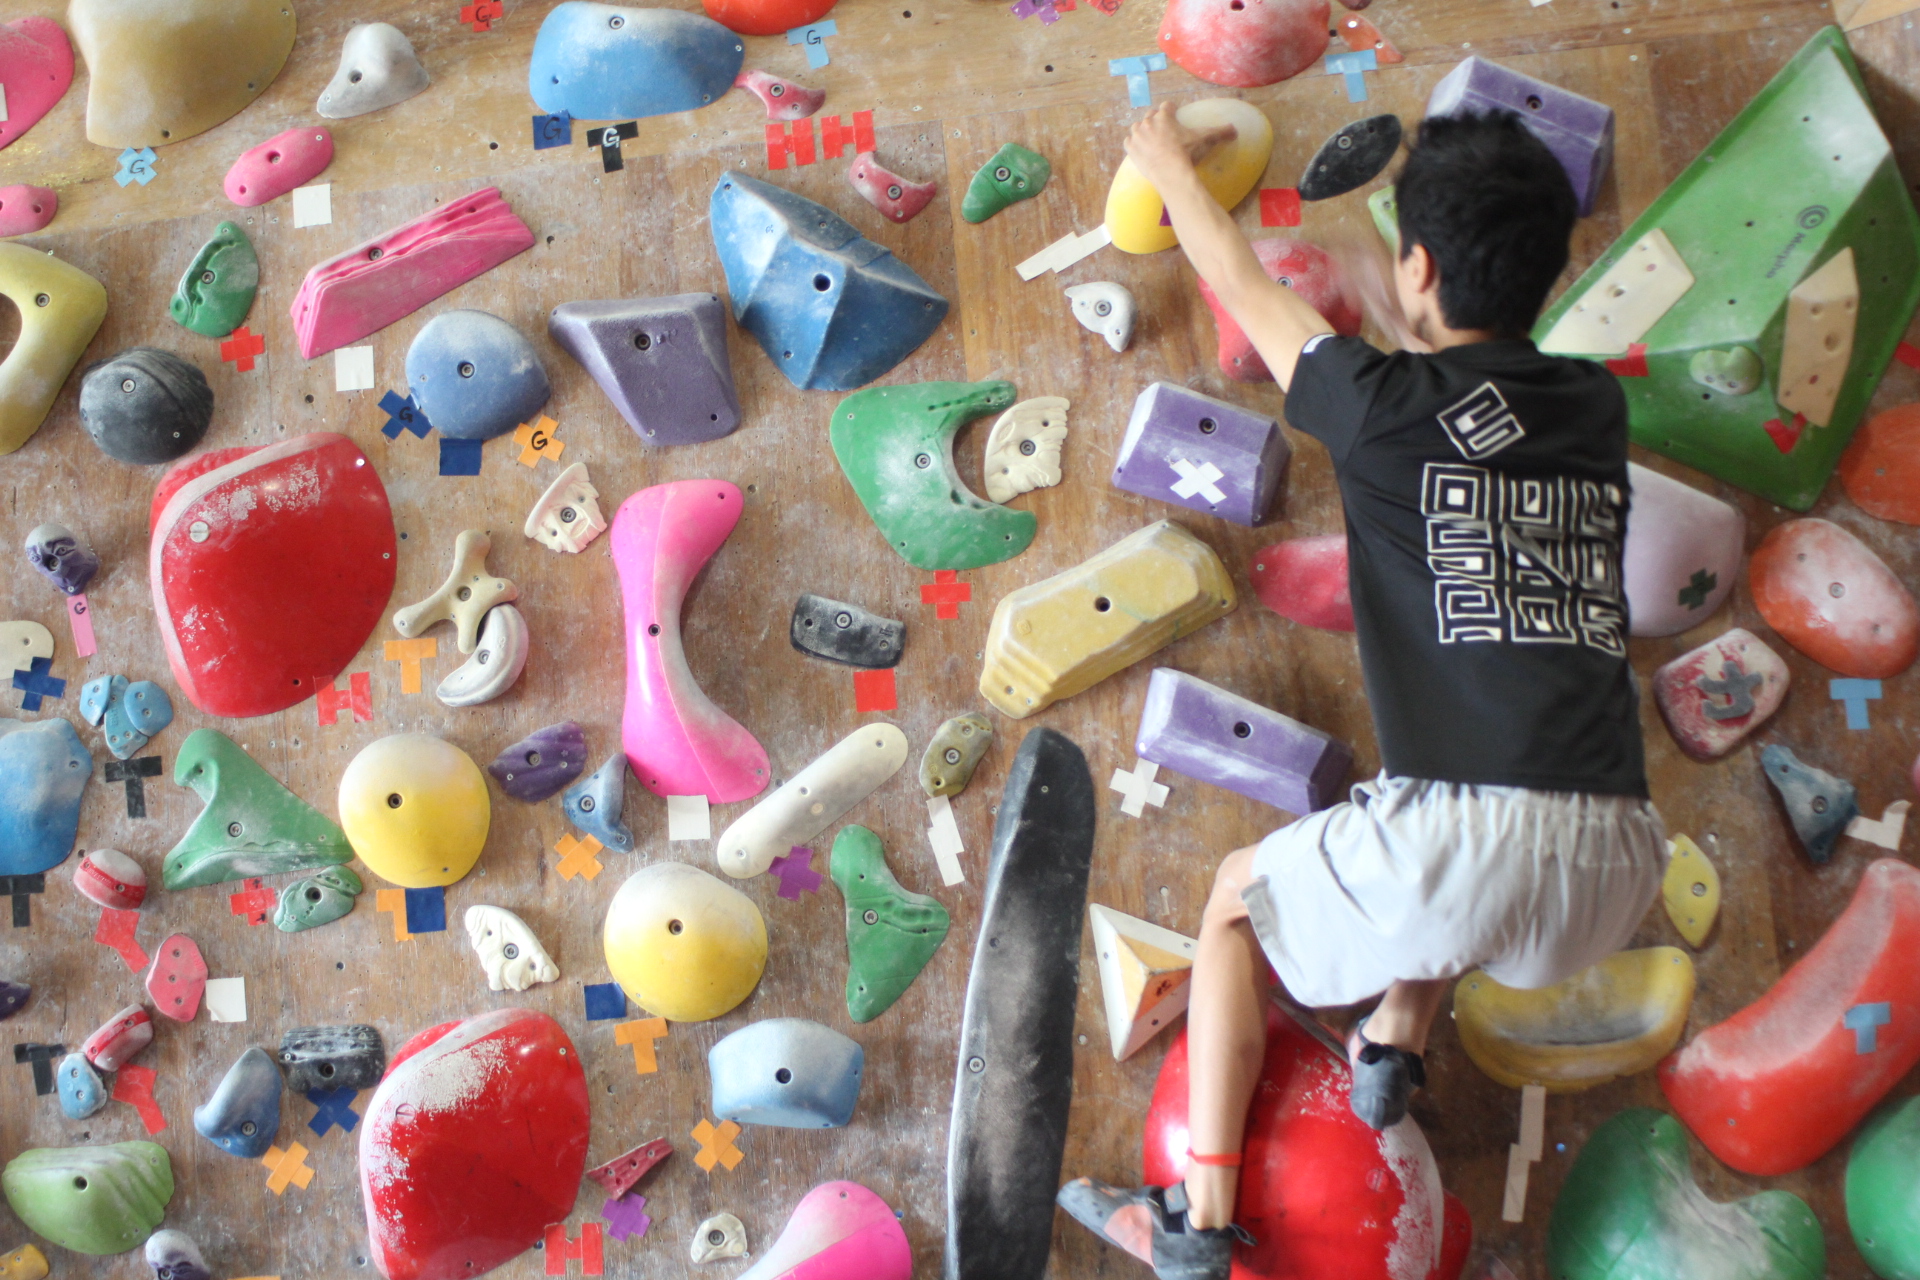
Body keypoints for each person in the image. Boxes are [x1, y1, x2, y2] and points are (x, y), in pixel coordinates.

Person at [1056, 105, 1667, 1280]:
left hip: (1465, 850)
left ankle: (1196, 1215)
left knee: (1239, 902)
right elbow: (1482, 413)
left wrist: (1166, 164)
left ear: (1418, 266)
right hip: (1615, 864)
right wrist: (1407, 319)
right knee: (1433, 812)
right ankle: (1396, 1032)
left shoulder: (1373, 403)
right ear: (1552, 268)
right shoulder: (1594, 407)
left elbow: (1236, 275)